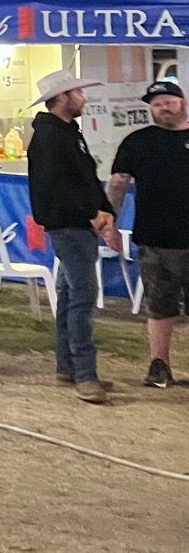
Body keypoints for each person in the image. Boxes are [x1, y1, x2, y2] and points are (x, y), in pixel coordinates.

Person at [25, 69, 117, 403]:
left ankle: (68, 366)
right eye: (78, 92)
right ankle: (85, 374)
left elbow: (85, 180)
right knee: (82, 298)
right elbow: (56, 189)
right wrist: (93, 213)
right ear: (62, 97)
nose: (84, 97)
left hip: (74, 225)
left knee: (69, 295)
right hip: (71, 227)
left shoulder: (65, 132)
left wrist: (103, 210)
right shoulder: (52, 137)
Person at [108, 79, 189, 388]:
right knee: (159, 305)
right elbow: (118, 183)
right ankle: (160, 366)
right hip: (156, 239)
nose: (162, 108)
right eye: (156, 104)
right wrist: (110, 223)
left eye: (168, 101)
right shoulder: (137, 141)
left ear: (182, 103)